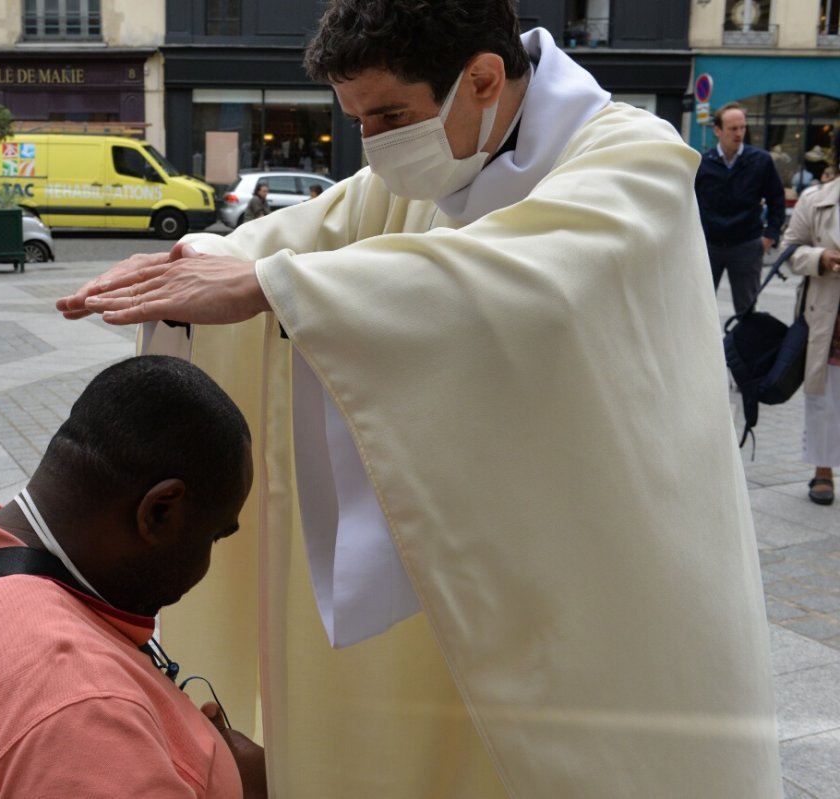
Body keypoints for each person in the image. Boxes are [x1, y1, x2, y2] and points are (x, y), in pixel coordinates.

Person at [57, 1, 781, 796]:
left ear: (481, 78)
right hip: (463, 544)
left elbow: (533, 280)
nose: (373, 144)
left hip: (596, 554)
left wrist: (269, 284)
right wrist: (202, 258)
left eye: (389, 115)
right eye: (357, 119)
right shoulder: (432, 163)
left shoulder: (633, 159)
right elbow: (313, 230)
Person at [0, 356, 264, 798]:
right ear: (159, 511)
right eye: (215, 537)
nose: (206, 565)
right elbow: (66, 722)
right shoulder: (80, 705)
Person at [784, 147, 840, 506]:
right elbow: (790, 252)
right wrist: (821, 257)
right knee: (827, 397)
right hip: (831, 315)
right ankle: (824, 470)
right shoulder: (816, 200)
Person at [695, 103, 787, 316]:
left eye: (742, 128)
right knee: (700, 307)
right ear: (718, 130)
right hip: (709, 245)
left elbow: (777, 199)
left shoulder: (760, 161)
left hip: (746, 245)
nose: (739, 133)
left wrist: (769, 236)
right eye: (732, 128)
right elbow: (690, 201)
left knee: (747, 310)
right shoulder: (703, 163)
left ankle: (744, 350)